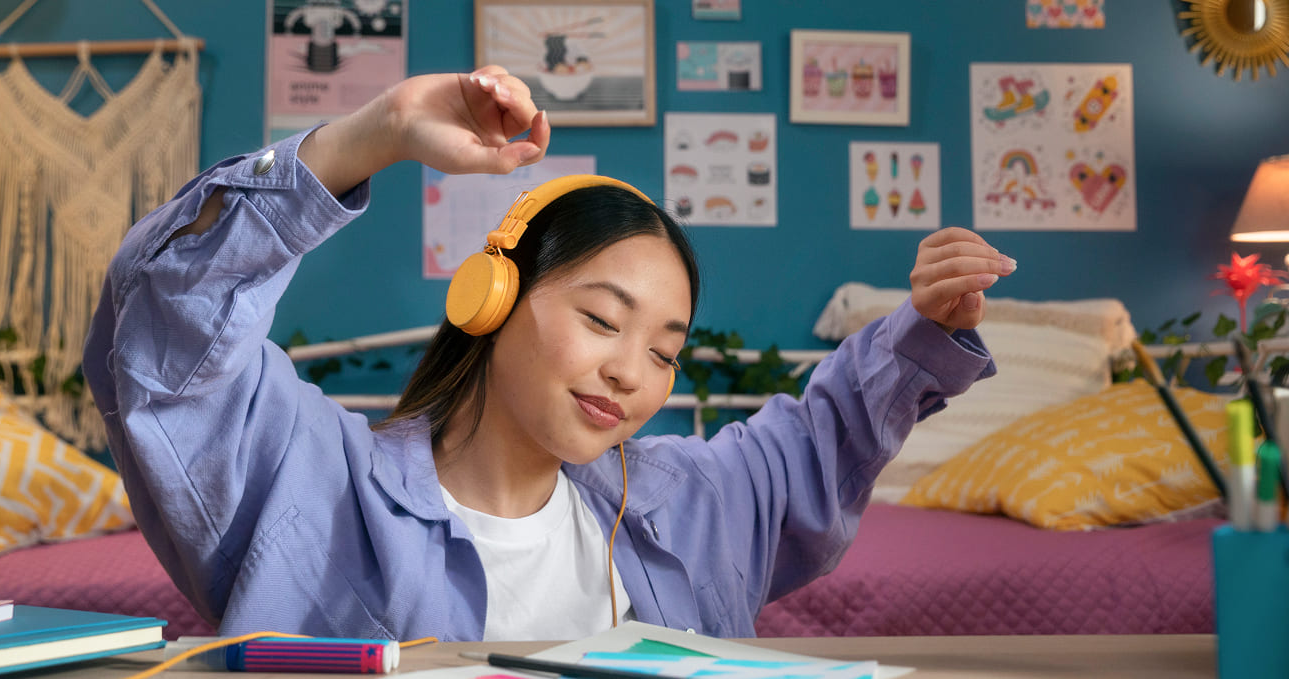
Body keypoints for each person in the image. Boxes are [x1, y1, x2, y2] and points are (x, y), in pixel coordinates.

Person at [83, 65, 1014, 642]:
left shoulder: (688, 506)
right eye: (603, 320)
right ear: (489, 298)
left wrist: (922, 324)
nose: (632, 374)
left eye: (665, 352)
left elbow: (820, 437)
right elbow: (167, 319)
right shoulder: (312, 482)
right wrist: (379, 132)